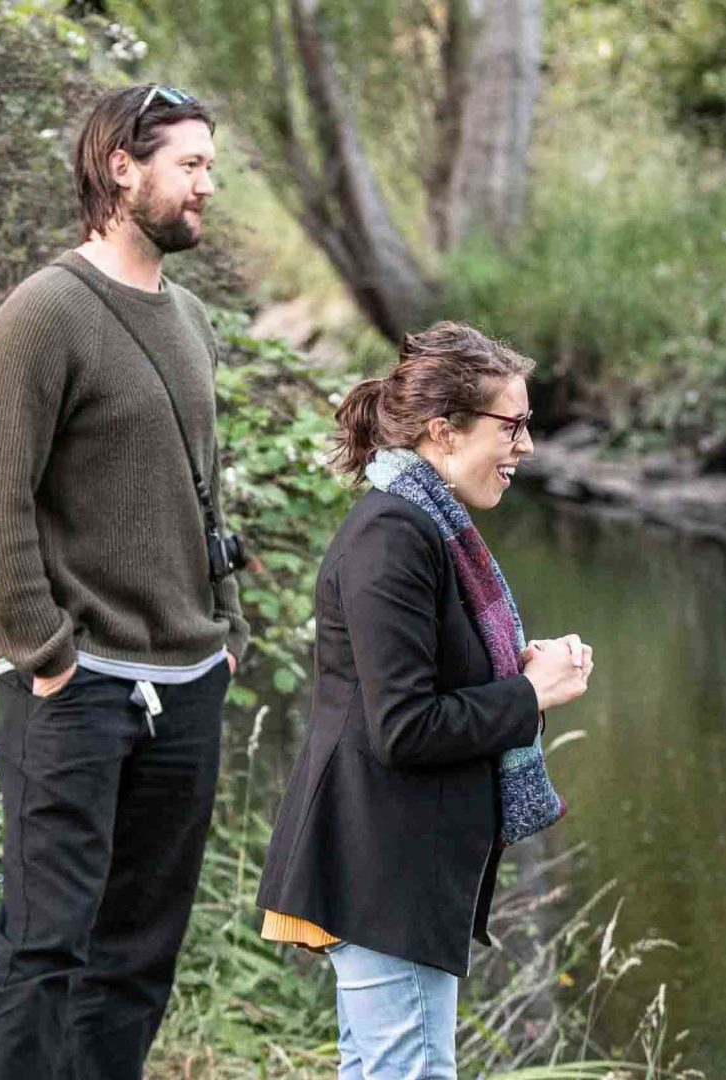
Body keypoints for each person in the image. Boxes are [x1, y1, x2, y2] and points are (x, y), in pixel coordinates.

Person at [0, 84, 248, 1079]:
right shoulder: (42, 314)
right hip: (78, 691)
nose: (207, 185)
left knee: (137, 959)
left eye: (211, 166)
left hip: (189, 683)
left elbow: (206, 490)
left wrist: (227, 627)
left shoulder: (191, 318)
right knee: (43, 950)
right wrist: (45, 656)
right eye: (190, 164)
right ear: (122, 167)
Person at [255, 322, 594, 1080]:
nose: (526, 447)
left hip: (395, 864)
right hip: (385, 867)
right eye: (512, 427)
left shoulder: (429, 527)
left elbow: (428, 683)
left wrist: (521, 672)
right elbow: (405, 728)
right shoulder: (395, 536)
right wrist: (528, 693)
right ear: (444, 431)